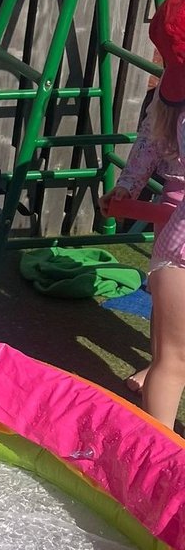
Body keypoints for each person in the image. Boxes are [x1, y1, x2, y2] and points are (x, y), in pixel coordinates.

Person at [98, 87, 185, 394]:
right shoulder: (172, 86)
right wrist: (127, 187)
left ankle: (169, 364)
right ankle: (163, 361)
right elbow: (149, 139)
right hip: (174, 209)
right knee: (169, 299)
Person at [134, 0, 185, 431]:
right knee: (171, 356)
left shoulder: (174, 105)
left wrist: (129, 191)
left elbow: (147, 146)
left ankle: (157, 458)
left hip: (176, 241)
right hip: (175, 234)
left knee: (171, 359)